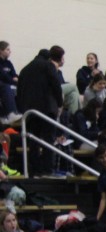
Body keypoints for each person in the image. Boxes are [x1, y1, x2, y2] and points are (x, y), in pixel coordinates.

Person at [16, 46, 65, 176]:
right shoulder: (48, 66)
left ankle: (34, 169)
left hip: (30, 111)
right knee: (48, 139)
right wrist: (60, 103)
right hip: (46, 108)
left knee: (34, 140)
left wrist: (22, 108)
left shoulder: (24, 69)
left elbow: (19, 91)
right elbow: (56, 85)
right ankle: (47, 169)